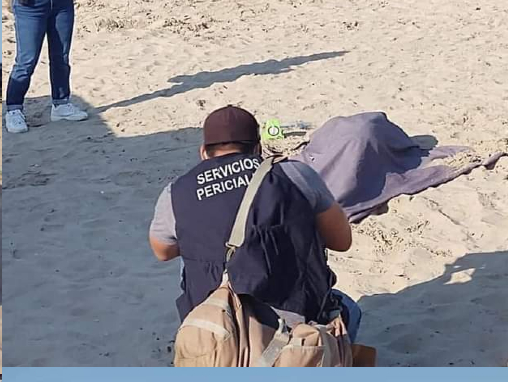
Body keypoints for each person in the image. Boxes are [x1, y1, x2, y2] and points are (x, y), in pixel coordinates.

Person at [147, 106, 361, 342]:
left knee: (187, 253)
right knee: (351, 310)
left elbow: (162, 252)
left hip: (217, 323)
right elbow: (342, 242)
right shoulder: (295, 174)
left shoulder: (176, 192)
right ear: (258, 148)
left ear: (203, 153)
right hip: (296, 317)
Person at [3, 0, 89, 134]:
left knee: (61, 57)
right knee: (27, 60)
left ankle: (61, 104)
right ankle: (13, 109)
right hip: (30, 2)